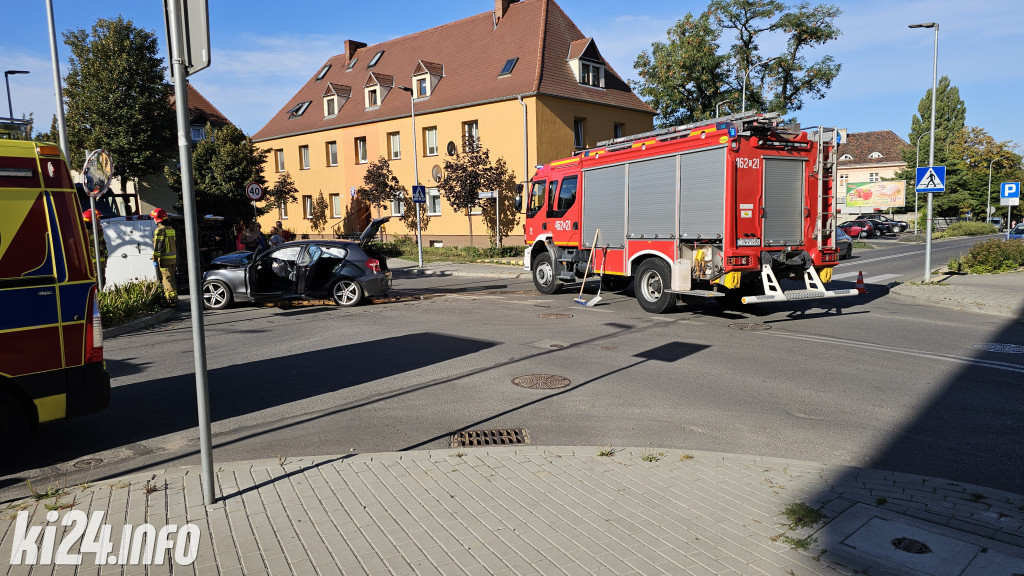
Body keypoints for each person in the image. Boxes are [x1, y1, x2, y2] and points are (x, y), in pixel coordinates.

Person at [151, 208, 178, 305]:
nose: (153, 220)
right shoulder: (171, 229)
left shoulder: (159, 230)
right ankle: (174, 298)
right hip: (172, 259)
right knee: (172, 279)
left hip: (164, 260)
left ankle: (171, 301)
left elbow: (158, 247)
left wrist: (154, 258)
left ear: (158, 219)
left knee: (166, 281)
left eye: (154, 218)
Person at [82, 209, 107, 277]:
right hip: (93, 266)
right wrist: (99, 231)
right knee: (97, 282)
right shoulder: (87, 233)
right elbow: (95, 242)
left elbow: (101, 243)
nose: (99, 221)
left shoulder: (94, 231)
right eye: (98, 219)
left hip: (100, 264)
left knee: (102, 281)